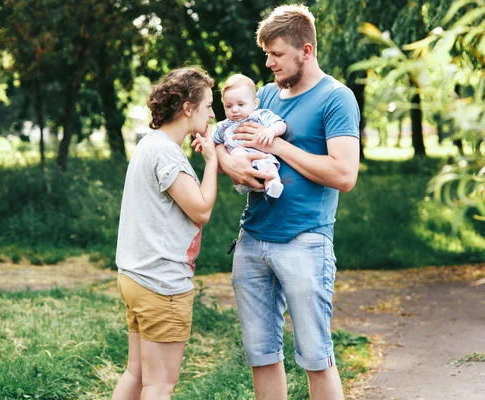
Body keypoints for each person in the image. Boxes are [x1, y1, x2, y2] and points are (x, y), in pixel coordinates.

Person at [216, 4, 360, 400]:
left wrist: (278, 144)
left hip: (305, 242)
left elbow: (345, 175)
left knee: (316, 356)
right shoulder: (263, 95)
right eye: (267, 54)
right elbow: (227, 143)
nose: (269, 63)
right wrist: (232, 166)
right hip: (252, 240)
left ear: (306, 51)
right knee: (260, 355)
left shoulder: (337, 98)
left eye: (277, 54)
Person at [112, 67, 217, 400]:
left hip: (135, 276)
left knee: (137, 374)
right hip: (161, 283)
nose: (213, 114)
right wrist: (212, 162)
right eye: (208, 106)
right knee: (159, 386)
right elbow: (201, 209)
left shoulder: (150, 144)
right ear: (188, 107)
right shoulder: (167, 153)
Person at [213, 73, 287, 203]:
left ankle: (272, 187)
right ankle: (259, 183)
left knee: (270, 166)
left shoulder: (259, 116)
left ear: (255, 103)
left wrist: (271, 131)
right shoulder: (223, 126)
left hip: (261, 157)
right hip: (241, 168)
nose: (235, 110)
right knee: (237, 152)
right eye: (229, 106)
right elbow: (214, 142)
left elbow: (281, 124)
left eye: (241, 104)